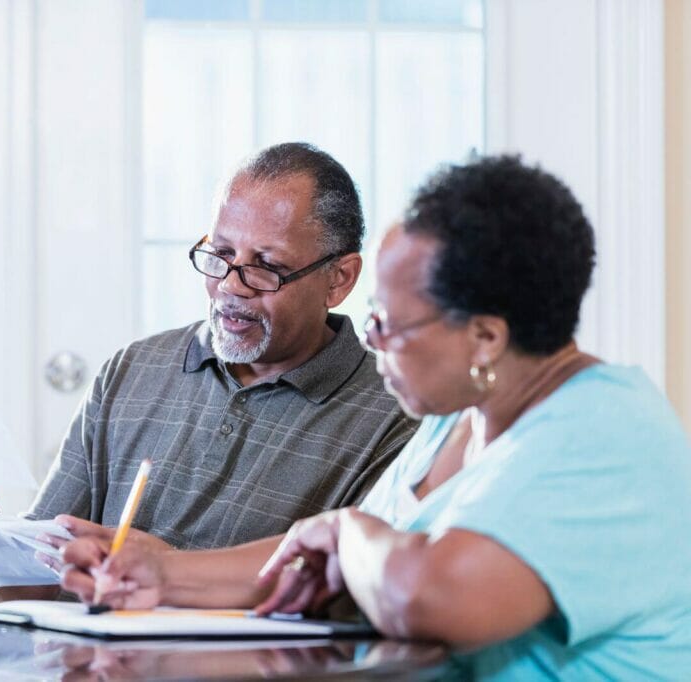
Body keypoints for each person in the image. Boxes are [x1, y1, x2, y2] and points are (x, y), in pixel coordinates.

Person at [60, 155, 691, 679]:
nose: (372, 340)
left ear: (486, 339)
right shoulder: (457, 422)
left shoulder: (610, 436)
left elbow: (427, 595)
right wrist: (163, 574)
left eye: (389, 322)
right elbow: (322, 571)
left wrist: (348, 529)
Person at [0, 142, 417, 602]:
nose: (231, 287)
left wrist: (168, 573)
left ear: (340, 278)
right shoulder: (132, 371)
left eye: (266, 266)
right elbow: (38, 588)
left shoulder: (395, 413)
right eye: (219, 255)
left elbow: (358, 605)